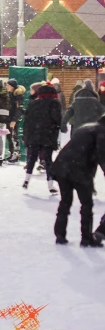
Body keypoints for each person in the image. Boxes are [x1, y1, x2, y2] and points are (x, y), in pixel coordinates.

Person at [49, 116, 105, 246]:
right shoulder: (102, 132)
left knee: (65, 202)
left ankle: (60, 235)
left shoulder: (85, 127)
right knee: (86, 205)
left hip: (62, 166)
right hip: (80, 170)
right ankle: (86, 239)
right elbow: (102, 155)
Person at [22, 83, 62, 194]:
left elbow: (27, 121)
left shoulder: (34, 103)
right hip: (48, 135)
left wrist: (26, 135)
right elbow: (57, 118)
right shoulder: (55, 103)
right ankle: (50, 184)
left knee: (32, 157)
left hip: (34, 134)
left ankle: (26, 180)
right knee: (48, 159)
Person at [6, 79, 25, 163]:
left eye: (8, 85)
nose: (6, 87)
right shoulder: (10, 94)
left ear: (12, 87)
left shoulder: (18, 96)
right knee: (9, 136)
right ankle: (11, 152)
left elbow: (19, 110)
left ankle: (16, 153)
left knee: (14, 136)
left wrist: (14, 120)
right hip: (9, 118)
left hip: (13, 119)